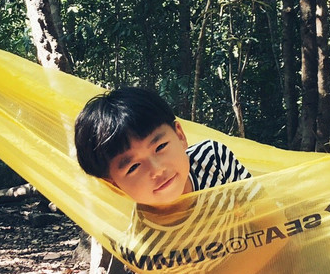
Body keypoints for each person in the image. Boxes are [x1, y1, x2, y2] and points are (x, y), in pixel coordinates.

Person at [74, 86, 251, 208]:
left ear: (180, 136)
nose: (157, 170)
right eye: (133, 167)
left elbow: (260, 207)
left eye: (160, 147)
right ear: (113, 184)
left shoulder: (214, 159)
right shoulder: (144, 240)